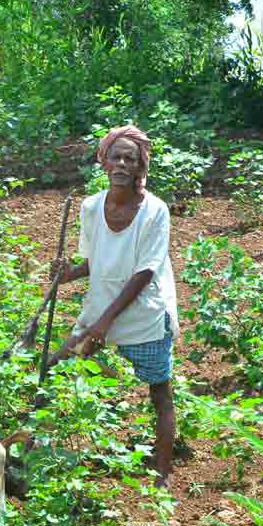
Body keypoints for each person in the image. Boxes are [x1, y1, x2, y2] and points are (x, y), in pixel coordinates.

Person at [50, 125, 180, 488]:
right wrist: (67, 275)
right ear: (104, 162)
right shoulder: (92, 208)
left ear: (141, 168)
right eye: (116, 156)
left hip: (143, 315)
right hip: (100, 312)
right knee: (55, 367)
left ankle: (163, 472)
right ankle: (35, 455)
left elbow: (144, 272)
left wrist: (104, 323)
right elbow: (95, 261)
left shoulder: (154, 211)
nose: (122, 164)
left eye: (130, 158)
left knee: (159, 392)